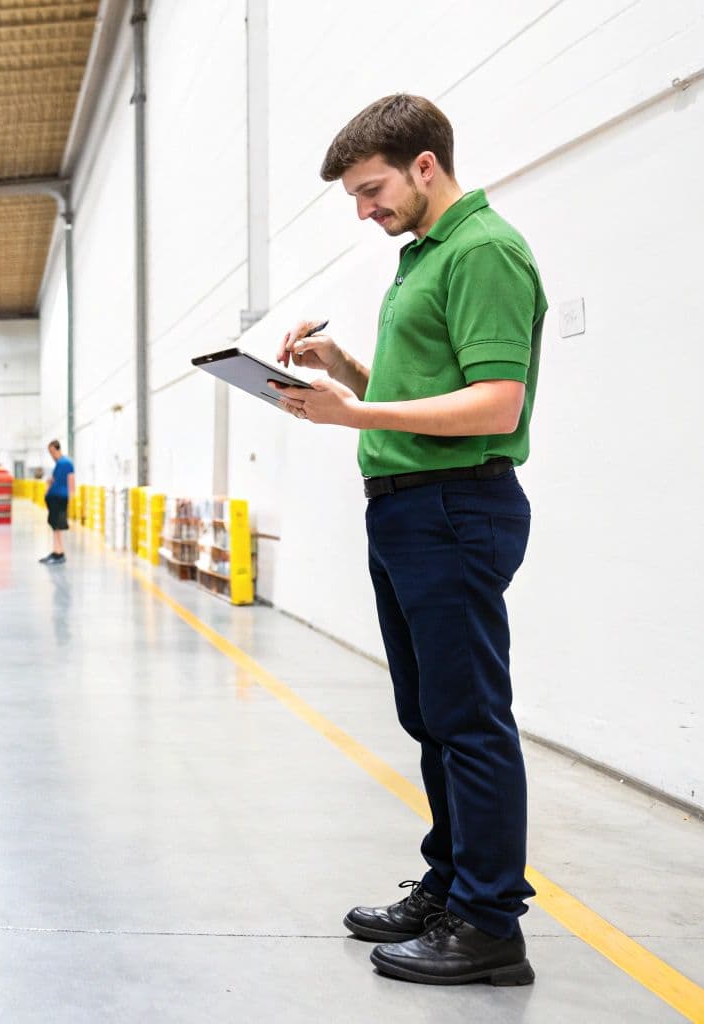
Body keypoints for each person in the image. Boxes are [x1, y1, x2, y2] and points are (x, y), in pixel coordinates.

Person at [269, 94, 545, 987]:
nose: (364, 210)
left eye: (372, 189)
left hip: (456, 508)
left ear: (426, 165)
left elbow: (496, 401)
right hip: (405, 510)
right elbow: (428, 382)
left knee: (469, 720)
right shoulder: (423, 256)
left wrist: (356, 411)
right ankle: (451, 884)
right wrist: (341, 370)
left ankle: (492, 922)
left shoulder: (486, 251)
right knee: (429, 717)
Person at [40, 441, 74, 565]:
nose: (51, 455)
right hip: (61, 497)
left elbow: (55, 480)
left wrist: (47, 488)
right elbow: (71, 480)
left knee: (56, 525)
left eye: (51, 452)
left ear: (55, 449)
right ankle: (56, 551)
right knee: (56, 525)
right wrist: (71, 496)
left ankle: (59, 552)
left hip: (57, 498)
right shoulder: (67, 463)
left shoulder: (61, 463)